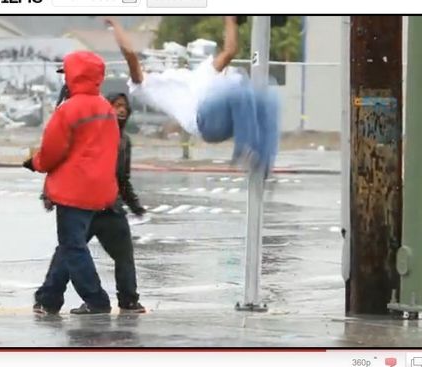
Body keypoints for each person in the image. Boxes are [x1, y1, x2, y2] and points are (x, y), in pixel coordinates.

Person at [106, 16, 279, 173]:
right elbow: (130, 55)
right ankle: (245, 149)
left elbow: (230, 51)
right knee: (238, 92)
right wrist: (115, 24)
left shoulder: (201, 71)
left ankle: (266, 162)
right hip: (203, 121)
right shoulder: (146, 85)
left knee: (269, 99)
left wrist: (230, 19)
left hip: (225, 122)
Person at [23, 51, 121, 315]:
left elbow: (52, 151)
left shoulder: (69, 109)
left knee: (73, 246)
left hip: (73, 189)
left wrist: (35, 163)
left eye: (66, 73)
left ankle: (97, 300)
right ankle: (49, 298)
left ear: (73, 75)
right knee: (70, 244)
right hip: (99, 189)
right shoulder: (106, 108)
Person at [35, 91, 147, 315]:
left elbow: (122, 178)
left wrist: (134, 205)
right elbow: (63, 163)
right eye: (116, 105)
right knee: (69, 253)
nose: (121, 110)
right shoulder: (92, 136)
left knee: (118, 255)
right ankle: (49, 299)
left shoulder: (124, 141)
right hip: (87, 206)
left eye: (124, 106)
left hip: (109, 208)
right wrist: (49, 192)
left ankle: (128, 300)